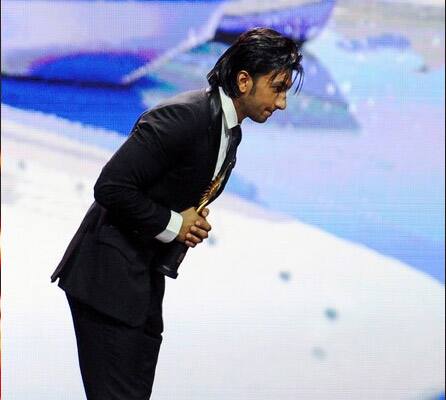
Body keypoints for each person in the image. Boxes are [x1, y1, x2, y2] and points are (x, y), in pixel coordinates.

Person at [51, 27, 304, 399]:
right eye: (278, 88)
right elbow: (111, 187)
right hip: (107, 282)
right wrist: (174, 223)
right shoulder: (183, 117)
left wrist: (184, 224)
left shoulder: (226, 128)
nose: (281, 103)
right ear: (245, 81)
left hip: (141, 282)